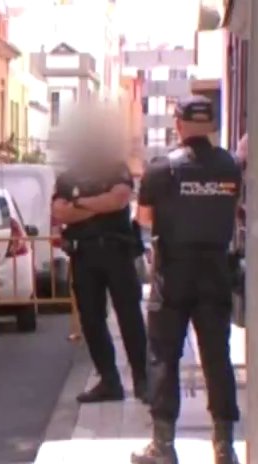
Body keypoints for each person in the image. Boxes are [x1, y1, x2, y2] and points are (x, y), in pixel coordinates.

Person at [131, 95, 241, 464]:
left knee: (164, 355)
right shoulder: (230, 168)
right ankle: (224, 447)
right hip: (215, 272)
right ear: (210, 125)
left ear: (177, 125)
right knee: (216, 356)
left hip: (173, 273)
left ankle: (163, 446)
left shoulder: (162, 169)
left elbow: (144, 220)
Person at [51, 133, 148, 404]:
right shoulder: (68, 177)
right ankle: (109, 381)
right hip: (83, 255)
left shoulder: (116, 168)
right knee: (91, 321)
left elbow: (119, 199)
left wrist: (80, 203)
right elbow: (60, 212)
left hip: (117, 252)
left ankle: (142, 380)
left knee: (130, 316)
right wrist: (99, 206)